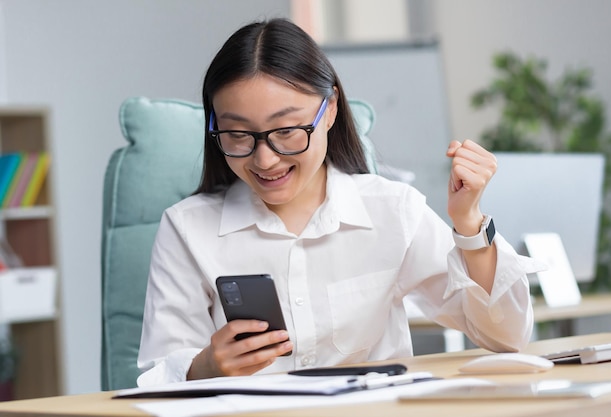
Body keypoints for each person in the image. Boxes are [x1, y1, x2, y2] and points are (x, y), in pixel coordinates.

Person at [136, 18, 540, 386]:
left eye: (287, 130)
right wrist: (206, 367)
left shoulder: (392, 210)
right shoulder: (187, 228)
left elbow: (506, 337)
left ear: (329, 110)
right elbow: (158, 373)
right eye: (238, 135)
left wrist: (468, 222)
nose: (265, 159)